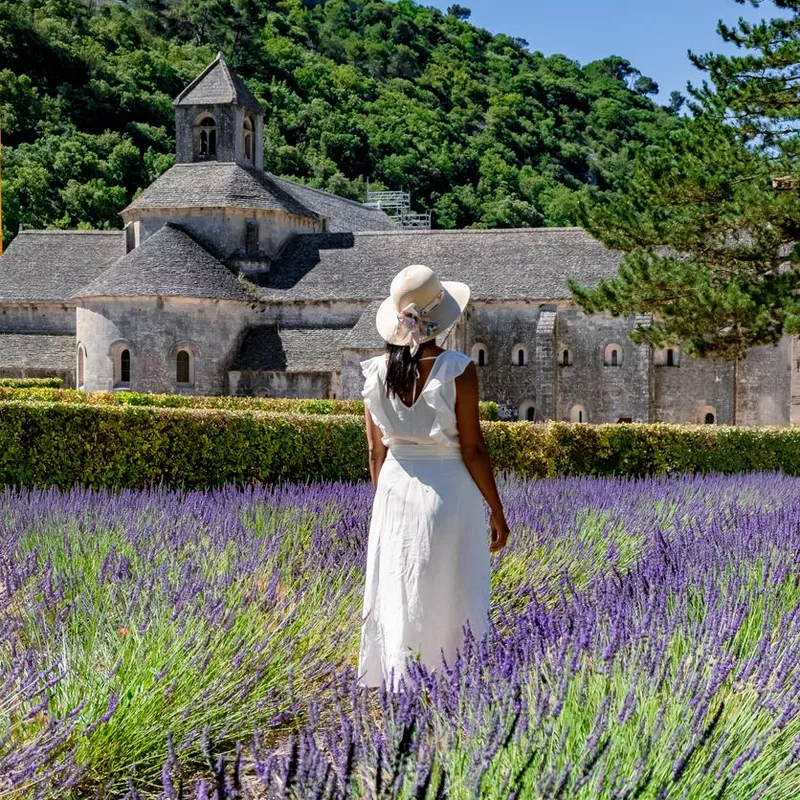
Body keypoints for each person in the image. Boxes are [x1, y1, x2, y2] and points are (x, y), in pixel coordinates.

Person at [357, 264, 510, 692]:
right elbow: (473, 448)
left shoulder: (374, 374)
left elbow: (375, 451)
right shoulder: (457, 369)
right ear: (440, 319)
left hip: (393, 489)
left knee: (400, 587)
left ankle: (399, 677)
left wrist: (383, 500)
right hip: (448, 491)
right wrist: (496, 509)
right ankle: (452, 680)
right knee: (452, 586)